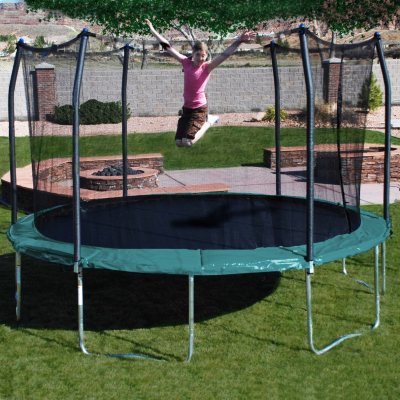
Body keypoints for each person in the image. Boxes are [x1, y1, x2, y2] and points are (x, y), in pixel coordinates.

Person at [145, 19, 256, 147]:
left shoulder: (207, 67)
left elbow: (225, 54)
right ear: (193, 54)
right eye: (198, 55)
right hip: (187, 108)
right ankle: (205, 122)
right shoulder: (185, 62)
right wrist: (153, 30)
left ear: (206, 55)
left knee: (187, 142)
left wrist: (239, 41)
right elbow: (167, 46)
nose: (201, 58)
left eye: (203, 55)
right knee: (178, 142)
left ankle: (209, 121)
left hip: (199, 108)